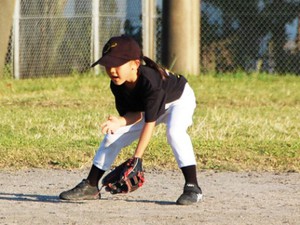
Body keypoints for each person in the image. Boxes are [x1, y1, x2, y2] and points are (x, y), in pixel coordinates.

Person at [59, 35, 202, 205]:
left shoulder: (150, 81)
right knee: (112, 136)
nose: (111, 70)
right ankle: (91, 185)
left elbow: (149, 123)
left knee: (174, 133)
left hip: (179, 100)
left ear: (135, 64)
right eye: (108, 65)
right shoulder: (117, 85)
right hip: (151, 108)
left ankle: (193, 187)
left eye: (117, 65)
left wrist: (137, 159)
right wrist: (120, 122)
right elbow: (136, 115)